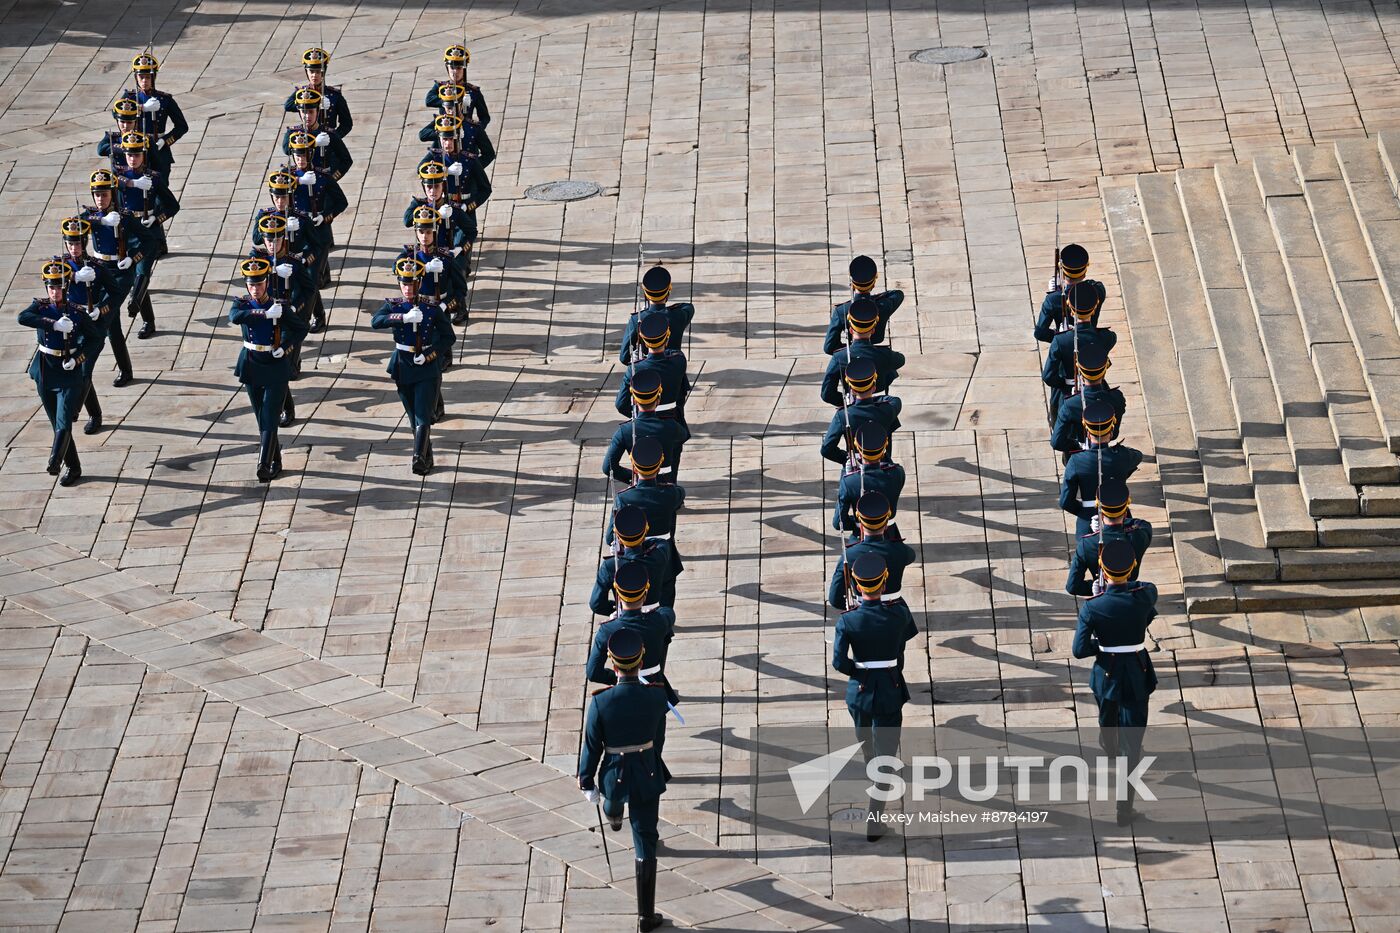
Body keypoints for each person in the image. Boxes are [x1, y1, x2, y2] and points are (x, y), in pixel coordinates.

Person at [577, 629, 670, 933]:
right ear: (640, 660)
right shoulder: (656, 694)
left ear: (613, 665)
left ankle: (613, 812)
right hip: (646, 772)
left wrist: (587, 781)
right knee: (645, 838)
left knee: (612, 800)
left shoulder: (601, 703)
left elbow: (592, 746)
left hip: (614, 772)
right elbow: (657, 736)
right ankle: (646, 915)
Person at [831, 553, 918, 840]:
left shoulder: (848, 620)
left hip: (860, 691)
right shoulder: (898, 613)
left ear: (856, 584)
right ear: (883, 582)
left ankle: (871, 759)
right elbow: (906, 635)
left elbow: (839, 663)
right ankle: (874, 819)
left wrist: (860, 669)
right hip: (889, 690)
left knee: (864, 736)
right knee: (886, 757)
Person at [1071, 539, 1158, 826]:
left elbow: (1080, 649)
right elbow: (1147, 608)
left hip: (1106, 671)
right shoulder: (1146, 593)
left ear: (1103, 572)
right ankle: (1124, 808)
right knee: (1132, 746)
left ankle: (1110, 747)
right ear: (1132, 567)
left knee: (1107, 720)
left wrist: (1103, 642)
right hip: (1135, 670)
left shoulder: (1092, 607)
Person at [19, 260, 105, 486]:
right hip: (46, 371)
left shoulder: (77, 312)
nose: (54, 292)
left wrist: (79, 359)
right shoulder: (41, 306)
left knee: (64, 421)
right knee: (55, 423)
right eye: (50, 287)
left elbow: (95, 339)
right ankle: (74, 468)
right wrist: (53, 325)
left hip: (68, 373)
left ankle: (55, 461)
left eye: (57, 288)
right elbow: (23, 318)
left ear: (65, 288)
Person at [371, 258, 455, 475]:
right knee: (412, 416)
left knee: (423, 415)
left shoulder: (431, 308)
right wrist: (403, 318)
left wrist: (430, 354)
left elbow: (448, 337)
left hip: (426, 368)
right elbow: (376, 321)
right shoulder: (394, 306)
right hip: (403, 365)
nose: (407, 288)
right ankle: (427, 457)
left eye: (412, 284)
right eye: (404, 283)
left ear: (419, 283)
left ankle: (417, 457)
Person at [229, 258, 308, 482]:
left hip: (275, 365)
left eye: (259, 284)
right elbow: (235, 317)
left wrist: (285, 348)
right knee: (260, 416)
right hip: (251, 363)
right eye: (251, 285)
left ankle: (263, 464)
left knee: (270, 416)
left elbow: (300, 329)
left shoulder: (279, 306)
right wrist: (264, 315)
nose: (255, 289)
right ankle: (276, 461)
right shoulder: (242, 304)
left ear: (267, 283)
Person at [584, 564, 680, 742]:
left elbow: (592, 672)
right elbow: (668, 612)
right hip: (654, 686)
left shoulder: (607, 631)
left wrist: (618, 676)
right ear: (645, 593)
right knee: (655, 744)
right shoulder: (658, 621)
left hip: (620, 690)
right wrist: (649, 612)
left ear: (618, 594)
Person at [78, 169, 147, 386]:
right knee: (113, 327)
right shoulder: (91, 217)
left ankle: (85, 373)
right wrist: (101, 221)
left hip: (120, 273)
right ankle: (126, 370)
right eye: (97, 195)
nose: (100, 199)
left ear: (113, 194)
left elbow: (149, 242)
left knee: (106, 320)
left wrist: (133, 259)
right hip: (98, 270)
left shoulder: (124, 217)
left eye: (105, 194)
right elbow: (75, 223)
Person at [249, 214, 315, 427]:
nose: (271, 243)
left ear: (283, 240)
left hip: (287, 318)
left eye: (276, 239)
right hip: (267, 318)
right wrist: (273, 270)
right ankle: (286, 405)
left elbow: (308, 289)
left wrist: (295, 306)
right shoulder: (258, 260)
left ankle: (287, 409)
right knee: (275, 366)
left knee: (281, 363)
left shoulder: (293, 263)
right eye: (268, 239)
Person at [55, 219, 119, 435]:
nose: (74, 249)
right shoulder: (60, 267)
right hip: (71, 324)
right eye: (70, 245)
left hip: (92, 325)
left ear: (85, 243)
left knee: (84, 369)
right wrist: (73, 276)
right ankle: (95, 414)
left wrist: (101, 309)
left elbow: (116, 293)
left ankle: (74, 410)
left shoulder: (96, 266)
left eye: (78, 244)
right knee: (77, 370)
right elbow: (52, 284)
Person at [115, 131, 179, 340]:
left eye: (136, 155)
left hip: (146, 232)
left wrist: (156, 219)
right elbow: (112, 184)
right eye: (129, 155)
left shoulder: (153, 178)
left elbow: (172, 206)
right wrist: (133, 184)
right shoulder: (119, 176)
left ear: (143, 155)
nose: (132, 159)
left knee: (142, 272)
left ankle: (134, 301)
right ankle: (148, 321)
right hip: (125, 233)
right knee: (135, 276)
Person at [253, 169, 325, 332]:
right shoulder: (265, 217)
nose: (280, 201)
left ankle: (317, 316)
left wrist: (306, 259)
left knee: (309, 288)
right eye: (276, 197)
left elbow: (316, 245)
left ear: (291, 197)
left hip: (298, 261)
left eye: (284, 197)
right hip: (276, 262)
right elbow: (257, 240)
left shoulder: (301, 218)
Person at [1060, 399, 1143, 537]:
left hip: (1087, 519)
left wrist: (1084, 512)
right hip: (1119, 518)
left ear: (1087, 432)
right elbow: (1138, 456)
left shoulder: (1076, 461)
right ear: (1111, 431)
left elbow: (1065, 501)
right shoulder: (1122, 456)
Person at [1043, 281, 1116, 426]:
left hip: (1066, 391)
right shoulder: (1107, 338)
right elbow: (1099, 287)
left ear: (1070, 308)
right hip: (1097, 389)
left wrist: (1064, 383)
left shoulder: (1060, 341)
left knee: (1060, 423)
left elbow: (1048, 376)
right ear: (1095, 308)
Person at [828, 491, 916, 611]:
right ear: (886, 525)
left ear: (861, 525)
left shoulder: (849, 555)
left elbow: (835, 599)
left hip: (861, 610)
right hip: (896, 612)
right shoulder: (900, 551)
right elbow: (911, 556)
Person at [1065, 479, 1153, 597]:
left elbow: (1072, 586)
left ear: (1099, 511)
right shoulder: (1140, 535)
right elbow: (1143, 524)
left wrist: (1100, 588)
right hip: (1131, 593)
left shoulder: (1086, 544)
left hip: (1102, 598)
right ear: (1126, 511)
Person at [602, 371, 689, 484]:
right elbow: (683, 435)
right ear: (658, 399)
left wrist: (636, 478)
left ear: (634, 399)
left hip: (639, 486)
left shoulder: (625, 431)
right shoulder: (671, 426)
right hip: (667, 488)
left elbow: (608, 467)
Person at [589, 506, 677, 615]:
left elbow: (596, 604)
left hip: (624, 617)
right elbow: (659, 542)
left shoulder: (609, 566)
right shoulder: (660, 553)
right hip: (656, 616)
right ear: (645, 530)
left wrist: (618, 609)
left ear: (618, 536)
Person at [819, 298, 906, 407]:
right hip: (879, 393)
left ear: (851, 330)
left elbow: (826, 394)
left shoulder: (839, 357)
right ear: (873, 330)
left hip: (852, 400)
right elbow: (901, 360)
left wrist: (848, 405)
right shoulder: (884, 355)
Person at [615, 315, 690, 431]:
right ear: (667, 336)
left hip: (643, 426)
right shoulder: (679, 360)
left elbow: (621, 404)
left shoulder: (634, 369)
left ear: (644, 340)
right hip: (673, 421)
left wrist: (639, 415)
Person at [820, 358, 901, 464]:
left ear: (852, 389)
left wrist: (848, 459)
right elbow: (894, 400)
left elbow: (827, 449)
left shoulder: (843, 416)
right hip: (883, 465)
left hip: (856, 468)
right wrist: (870, 399)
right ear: (874, 386)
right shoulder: (887, 410)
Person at [1050, 342, 1125, 456]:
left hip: (1078, 456)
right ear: (1105, 369)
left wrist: (1076, 446)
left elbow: (1056, 442)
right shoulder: (1117, 397)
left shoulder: (1070, 404)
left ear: (1080, 371)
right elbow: (1113, 433)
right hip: (1106, 453)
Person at [397, 206, 468, 326]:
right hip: (417, 307)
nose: (424, 236)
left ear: (435, 232)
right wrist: (425, 268)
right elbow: (396, 269)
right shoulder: (409, 255)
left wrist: (445, 305)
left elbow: (461, 289)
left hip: (440, 306)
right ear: (416, 232)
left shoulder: (446, 258)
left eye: (429, 232)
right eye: (421, 232)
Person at [427, 45, 494, 165]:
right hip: (446, 131)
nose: (455, 72)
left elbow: (485, 117)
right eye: (451, 68)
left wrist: (475, 131)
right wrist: (447, 100)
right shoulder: (441, 88)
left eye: (458, 68)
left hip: (466, 135)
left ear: (464, 69)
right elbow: (429, 100)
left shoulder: (473, 92)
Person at [123, 52, 187, 176]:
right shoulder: (129, 99)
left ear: (154, 77)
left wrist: (165, 141)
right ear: (136, 77)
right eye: (141, 77)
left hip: (158, 149)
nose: (144, 81)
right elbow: (116, 114)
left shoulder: (165, 99)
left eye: (148, 77)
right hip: (136, 149)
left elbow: (182, 126)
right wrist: (141, 108)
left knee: (161, 189)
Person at [823, 255, 903, 354]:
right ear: (874, 283)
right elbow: (898, 294)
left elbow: (829, 348)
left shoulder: (841, 311)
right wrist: (869, 298)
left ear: (852, 284)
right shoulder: (884, 305)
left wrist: (850, 349)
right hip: (877, 352)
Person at [833, 424, 904, 532]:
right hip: (889, 529)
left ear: (858, 449)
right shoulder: (899, 473)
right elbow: (890, 468)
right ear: (885, 447)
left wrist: (847, 475)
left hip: (861, 530)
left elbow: (838, 523)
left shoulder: (849, 482)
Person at [619, 266, 694, 362]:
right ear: (668, 291)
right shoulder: (678, 315)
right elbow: (688, 307)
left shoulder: (636, 319)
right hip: (674, 368)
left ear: (646, 294)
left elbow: (624, 358)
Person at [1035, 243, 1104, 343]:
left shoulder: (1052, 299)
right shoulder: (1098, 290)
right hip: (1091, 345)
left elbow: (1040, 333)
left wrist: (1058, 335)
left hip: (1063, 348)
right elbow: (1088, 286)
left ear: (1062, 271)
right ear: (1084, 272)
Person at [283, 88, 353, 182]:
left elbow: (346, 160)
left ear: (318, 112)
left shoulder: (329, 134)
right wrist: (314, 143)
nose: (307, 116)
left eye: (311, 112)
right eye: (304, 112)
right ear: (299, 112)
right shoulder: (292, 134)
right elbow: (287, 150)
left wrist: (331, 180)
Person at [283, 47, 352, 139]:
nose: (314, 75)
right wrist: (317, 103)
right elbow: (287, 106)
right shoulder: (302, 93)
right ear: (306, 72)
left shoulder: (335, 96)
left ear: (323, 72)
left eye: (318, 72)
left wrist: (333, 139)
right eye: (311, 71)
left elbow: (347, 124)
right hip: (308, 140)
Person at [96, 97, 142, 172]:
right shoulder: (112, 137)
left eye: (130, 122)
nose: (126, 126)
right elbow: (100, 150)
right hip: (119, 178)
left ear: (135, 122)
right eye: (122, 122)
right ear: (117, 122)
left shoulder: (143, 139)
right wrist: (125, 148)